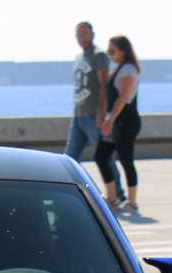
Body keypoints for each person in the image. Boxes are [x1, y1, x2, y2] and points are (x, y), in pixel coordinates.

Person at [63, 23, 124, 202]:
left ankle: (117, 194)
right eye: (78, 35)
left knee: (103, 156)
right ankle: (68, 192)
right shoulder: (79, 56)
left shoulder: (98, 56)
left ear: (92, 35)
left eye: (85, 34)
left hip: (93, 116)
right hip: (79, 114)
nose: (82, 38)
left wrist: (101, 113)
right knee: (69, 158)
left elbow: (105, 86)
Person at [95, 36, 142, 214]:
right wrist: (105, 116)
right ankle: (112, 197)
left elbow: (123, 97)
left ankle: (132, 201)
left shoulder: (129, 69)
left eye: (112, 51)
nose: (110, 55)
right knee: (101, 155)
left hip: (125, 122)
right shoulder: (119, 69)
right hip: (115, 121)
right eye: (109, 51)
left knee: (126, 159)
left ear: (123, 51)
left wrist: (110, 118)